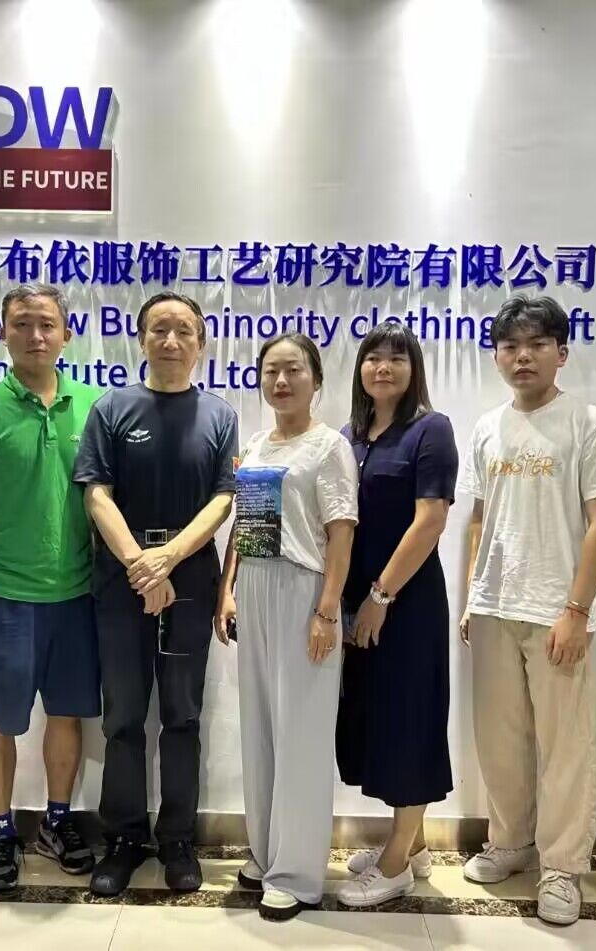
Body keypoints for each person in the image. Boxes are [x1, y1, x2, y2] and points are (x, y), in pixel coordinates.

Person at [457, 295, 596, 926]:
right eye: (510, 346)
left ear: (562, 352)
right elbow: (478, 519)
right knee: (499, 739)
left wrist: (577, 610)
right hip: (494, 605)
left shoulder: (588, 423)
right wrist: (473, 596)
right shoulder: (487, 426)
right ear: (498, 356)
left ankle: (561, 865)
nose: (522, 357)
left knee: (565, 745)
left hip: (558, 607)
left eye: (536, 345)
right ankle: (510, 842)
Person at [75, 291, 238, 897]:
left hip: (190, 578)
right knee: (121, 715)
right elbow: (96, 495)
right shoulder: (112, 408)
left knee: (182, 714)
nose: (171, 341)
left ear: (201, 343)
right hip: (121, 578)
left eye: (184, 331)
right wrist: (141, 566)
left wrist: (168, 558)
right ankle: (123, 838)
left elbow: (224, 499)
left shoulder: (219, 415)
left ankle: (176, 839)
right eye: (159, 330)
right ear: (141, 339)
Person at [0, 283, 104, 890]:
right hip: (6, 597)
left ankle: (57, 822)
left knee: (66, 716)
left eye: (46, 324)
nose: (35, 336)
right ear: (3, 332)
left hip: (76, 594)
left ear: (66, 333)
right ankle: (2, 830)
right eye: (22, 324)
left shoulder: (92, 405)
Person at [214, 334, 358, 921]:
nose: (281, 381)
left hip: (304, 591)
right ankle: (266, 850)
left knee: (301, 733)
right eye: (271, 370)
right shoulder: (257, 443)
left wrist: (327, 610)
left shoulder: (329, 447)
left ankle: (296, 872)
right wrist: (227, 588)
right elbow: (246, 527)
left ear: (315, 379)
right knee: (262, 727)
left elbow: (341, 532)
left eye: (293, 370)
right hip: (255, 586)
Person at [334, 322, 457, 909]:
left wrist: (380, 597)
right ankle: (413, 842)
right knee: (378, 720)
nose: (383, 368)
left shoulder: (430, 429)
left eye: (396, 359)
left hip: (406, 604)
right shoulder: (350, 436)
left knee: (411, 721)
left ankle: (396, 863)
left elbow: (430, 520)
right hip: (357, 602)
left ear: (414, 370)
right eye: (373, 358)